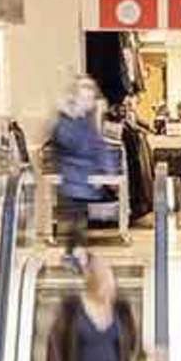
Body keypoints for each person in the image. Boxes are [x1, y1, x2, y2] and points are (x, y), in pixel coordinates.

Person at [50, 76, 110, 267]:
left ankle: (73, 254)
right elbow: (73, 143)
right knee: (75, 220)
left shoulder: (86, 121)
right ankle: (74, 254)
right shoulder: (68, 121)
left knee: (78, 220)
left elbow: (97, 146)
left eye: (90, 98)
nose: (89, 102)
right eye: (85, 98)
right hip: (72, 179)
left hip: (82, 179)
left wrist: (104, 170)